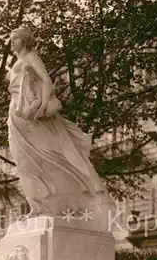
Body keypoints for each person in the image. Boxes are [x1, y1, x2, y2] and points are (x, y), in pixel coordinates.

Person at [7, 26, 106, 217]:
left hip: (32, 118)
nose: (12, 42)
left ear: (25, 40)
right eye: (11, 39)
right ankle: (37, 206)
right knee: (24, 163)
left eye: (15, 38)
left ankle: (56, 204)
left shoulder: (31, 57)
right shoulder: (17, 62)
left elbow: (46, 81)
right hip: (17, 117)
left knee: (45, 159)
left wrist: (43, 106)